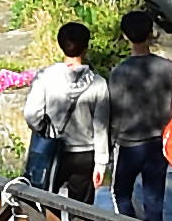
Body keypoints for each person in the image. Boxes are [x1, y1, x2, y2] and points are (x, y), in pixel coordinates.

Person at [99, 5, 172, 221]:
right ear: (151, 34)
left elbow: (113, 114)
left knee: (121, 193)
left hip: (128, 145)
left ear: (125, 36)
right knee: (154, 198)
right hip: (158, 142)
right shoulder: (168, 67)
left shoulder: (119, 72)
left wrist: (109, 145)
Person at [17, 19, 110, 202]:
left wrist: (44, 128)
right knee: (82, 211)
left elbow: (31, 114)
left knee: (45, 203)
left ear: (60, 45)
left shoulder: (45, 77)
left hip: (52, 150)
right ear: (86, 48)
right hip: (85, 154)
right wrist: (101, 164)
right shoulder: (98, 83)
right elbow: (101, 127)